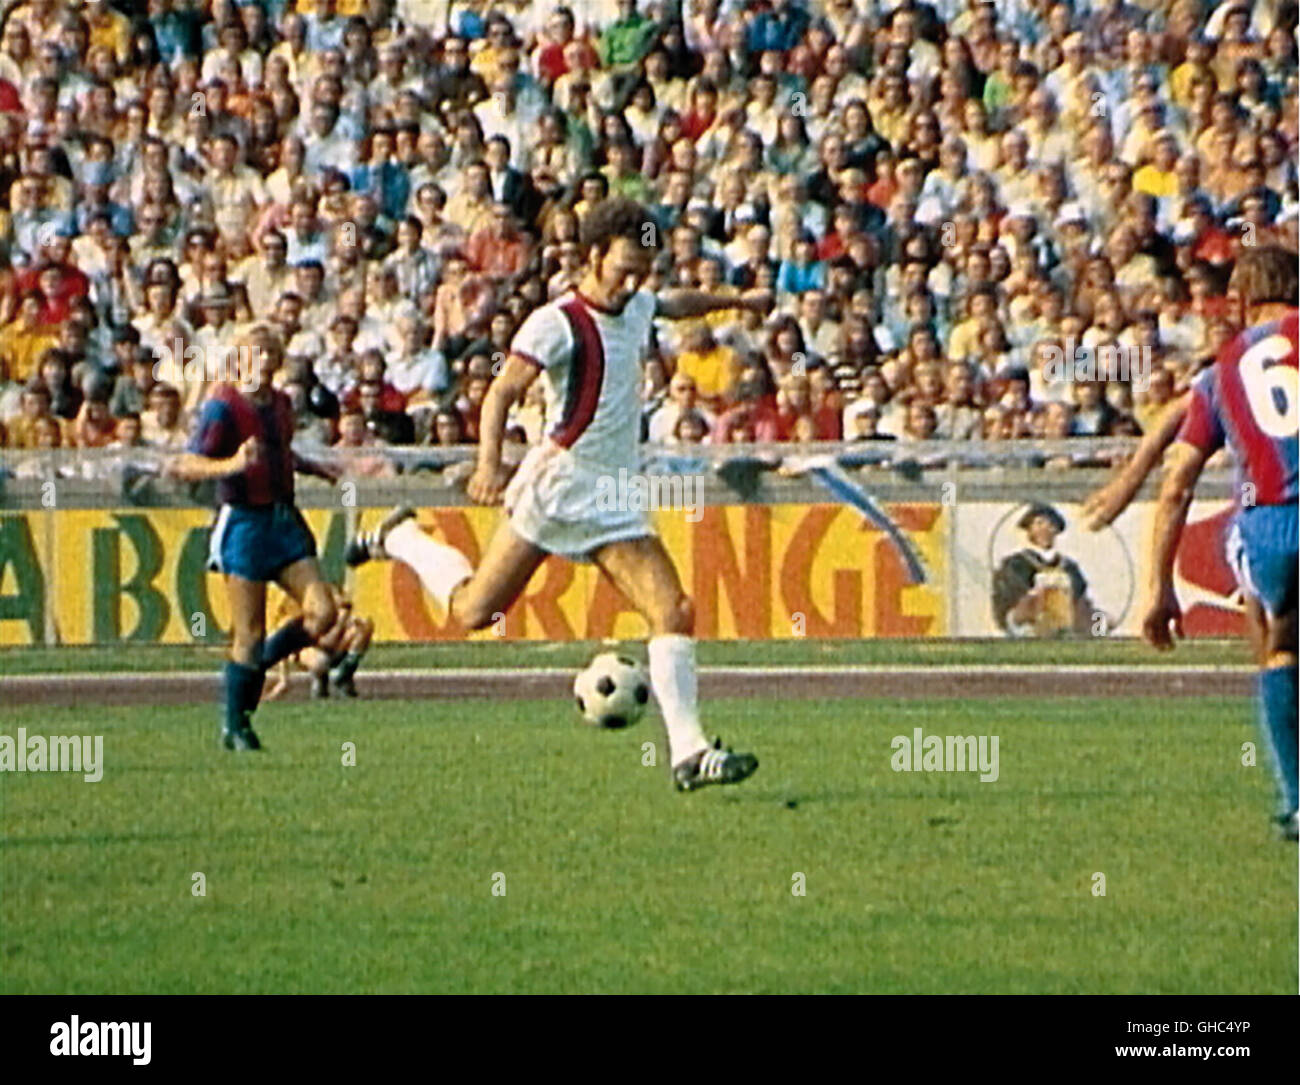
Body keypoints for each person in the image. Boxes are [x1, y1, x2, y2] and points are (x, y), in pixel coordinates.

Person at [346, 198, 768, 792]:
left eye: (642, 270)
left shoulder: (640, 301)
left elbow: (673, 303)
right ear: (592, 256)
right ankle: (403, 536)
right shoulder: (558, 320)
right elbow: (500, 394)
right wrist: (489, 464)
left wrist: (740, 302)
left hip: (614, 494)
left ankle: (689, 752)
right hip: (560, 485)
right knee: (475, 612)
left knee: (673, 610)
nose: (633, 282)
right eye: (623, 268)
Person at [1144, 247, 1298, 841]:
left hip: (1271, 527)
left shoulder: (1220, 370)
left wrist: (1160, 590)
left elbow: (1177, 480)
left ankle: (1297, 800)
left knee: (1280, 647)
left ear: (1243, 296)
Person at [165, 326, 342, 751]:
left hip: (283, 520)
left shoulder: (281, 405)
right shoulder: (222, 406)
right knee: (249, 630)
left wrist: (312, 468)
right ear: (240, 359)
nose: (263, 362)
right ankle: (236, 725)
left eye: (269, 355)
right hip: (244, 524)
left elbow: (279, 451)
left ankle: (259, 665)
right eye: (255, 354)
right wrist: (231, 465)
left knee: (324, 613)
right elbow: (185, 465)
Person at [992, 503, 1097, 637]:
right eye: (1039, 523)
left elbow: (1080, 599)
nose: (1044, 529)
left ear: (1056, 530)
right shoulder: (1015, 564)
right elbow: (1008, 602)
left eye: (1050, 525)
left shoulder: (1069, 567)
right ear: (1029, 529)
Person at [264, 583, 374, 700]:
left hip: (332, 643)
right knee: (320, 661)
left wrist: (348, 619)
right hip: (309, 648)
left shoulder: (327, 593)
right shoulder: (291, 604)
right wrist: (283, 679)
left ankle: (343, 674)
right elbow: (284, 638)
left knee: (361, 631)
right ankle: (321, 679)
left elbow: (345, 620)